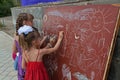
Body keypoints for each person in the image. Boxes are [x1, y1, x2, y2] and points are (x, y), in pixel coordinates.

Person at [12, 13, 46, 80]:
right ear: (25, 22)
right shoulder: (30, 34)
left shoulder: (17, 34)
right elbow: (36, 47)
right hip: (30, 61)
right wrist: (45, 41)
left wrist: (19, 57)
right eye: (31, 21)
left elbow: (14, 51)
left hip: (21, 61)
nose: (33, 23)